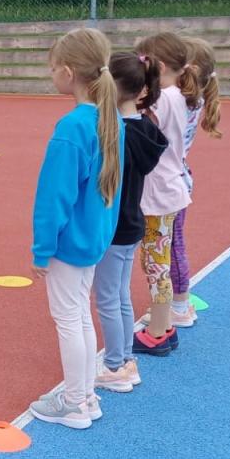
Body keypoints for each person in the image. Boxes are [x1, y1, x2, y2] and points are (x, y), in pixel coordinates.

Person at [27, 28, 124, 429]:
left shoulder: (72, 127)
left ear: (68, 72)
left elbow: (54, 195)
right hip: (93, 238)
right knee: (80, 316)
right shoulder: (110, 118)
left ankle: (74, 403)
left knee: (69, 319)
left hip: (70, 243)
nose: (51, 74)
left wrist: (41, 249)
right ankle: (84, 396)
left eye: (53, 68)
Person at [92, 52, 168, 393]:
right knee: (119, 295)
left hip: (115, 226)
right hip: (132, 223)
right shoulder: (146, 128)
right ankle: (123, 359)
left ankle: (115, 366)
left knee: (108, 298)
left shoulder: (117, 134)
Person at [131, 31, 196, 357]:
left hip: (158, 192)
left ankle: (158, 330)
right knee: (158, 261)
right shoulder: (176, 94)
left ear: (158, 66)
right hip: (168, 186)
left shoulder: (160, 99)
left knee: (156, 264)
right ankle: (164, 325)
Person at [169, 35, 223, 324]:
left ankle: (179, 305)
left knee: (170, 245)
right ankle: (177, 300)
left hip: (169, 185)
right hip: (175, 180)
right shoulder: (192, 100)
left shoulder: (178, 102)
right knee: (170, 243)